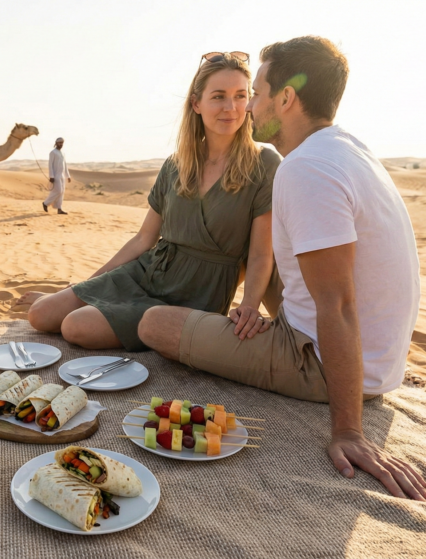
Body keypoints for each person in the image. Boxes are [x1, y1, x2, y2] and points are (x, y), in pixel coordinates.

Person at [137, 37, 426, 501]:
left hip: (319, 361)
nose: (248, 107)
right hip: (378, 356)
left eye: (255, 93)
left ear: (286, 98)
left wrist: (349, 431)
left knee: (154, 323)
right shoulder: (346, 149)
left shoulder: (305, 168)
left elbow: (338, 304)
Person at [27, 52, 282, 351]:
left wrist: (250, 305)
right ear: (196, 104)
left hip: (196, 293)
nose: (231, 107)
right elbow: (143, 239)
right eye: (219, 96)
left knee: (75, 327)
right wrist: (85, 284)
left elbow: (262, 254)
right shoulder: (177, 163)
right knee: (40, 315)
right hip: (147, 272)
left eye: (241, 95)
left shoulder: (264, 163)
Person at [43, 137, 71, 215]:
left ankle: (59, 208)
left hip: (62, 176)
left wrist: (68, 175)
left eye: (62, 143)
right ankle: (45, 203)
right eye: (59, 143)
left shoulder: (63, 153)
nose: (61, 144)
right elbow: (50, 165)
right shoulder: (53, 152)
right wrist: (51, 176)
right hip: (56, 176)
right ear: (56, 143)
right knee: (58, 191)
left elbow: (65, 165)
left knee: (62, 192)